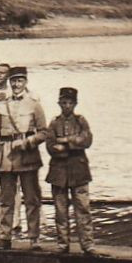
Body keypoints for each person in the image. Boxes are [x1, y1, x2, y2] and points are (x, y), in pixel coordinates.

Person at [0, 64, 47, 247]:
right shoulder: (0, 106)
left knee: (32, 198)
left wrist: (28, 142)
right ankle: (5, 236)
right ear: (9, 82)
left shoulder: (34, 105)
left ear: (26, 82)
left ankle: (33, 238)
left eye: (20, 80)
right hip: (6, 155)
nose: (16, 84)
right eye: (13, 81)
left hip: (28, 155)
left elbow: (44, 132)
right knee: (6, 198)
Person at [46, 87, 94, 253]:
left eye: (70, 103)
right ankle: (62, 244)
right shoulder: (54, 122)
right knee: (60, 210)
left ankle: (87, 244)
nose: (66, 106)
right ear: (59, 103)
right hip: (59, 172)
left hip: (79, 171)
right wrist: (71, 145)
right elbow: (50, 146)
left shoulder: (81, 121)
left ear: (75, 104)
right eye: (63, 102)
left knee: (83, 208)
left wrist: (66, 141)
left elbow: (87, 140)